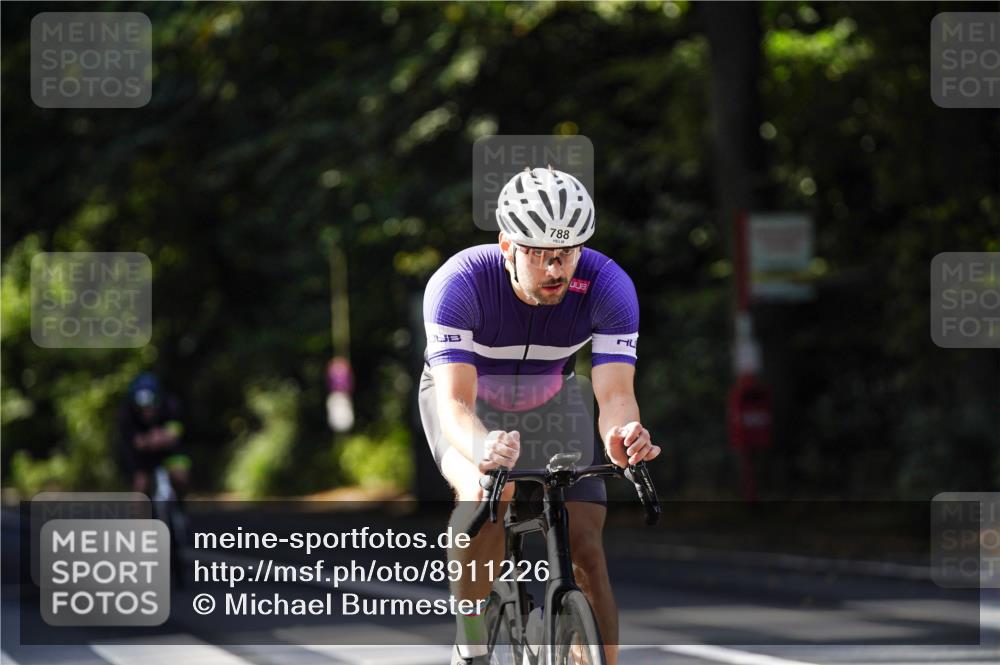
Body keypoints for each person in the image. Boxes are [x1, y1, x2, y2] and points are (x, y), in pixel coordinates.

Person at [419, 166, 661, 665]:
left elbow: (616, 394)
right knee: (488, 492)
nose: (556, 269)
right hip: (469, 404)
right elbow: (456, 404)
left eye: (567, 252)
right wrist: (483, 447)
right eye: (539, 253)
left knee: (586, 544)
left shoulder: (608, 285)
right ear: (507, 246)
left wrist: (623, 434)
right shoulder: (460, 283)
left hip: (551, 399)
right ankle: (470, 638)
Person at [116, 371, 190, 498]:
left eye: (151, 405)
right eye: (142, 406)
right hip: (141, 456)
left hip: (170, 451)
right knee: (140, 486)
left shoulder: (171, 405)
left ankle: (180, 502)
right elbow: (135, 442)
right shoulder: (126, 412)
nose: (147, 410)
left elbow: (176, 433)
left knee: (180, 477)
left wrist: (162, 437)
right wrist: (151, 439)